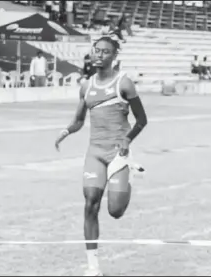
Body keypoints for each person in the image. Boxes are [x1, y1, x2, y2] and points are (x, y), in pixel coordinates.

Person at [53, 36, 148, 276]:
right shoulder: (86, 85)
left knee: (115, 211)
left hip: (117, 154)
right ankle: (93, 267)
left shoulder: (123, 84)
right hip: (94, 153)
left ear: (114, 56)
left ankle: (129, 176)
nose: (99, 55)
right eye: (96, 50)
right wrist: (65, 132)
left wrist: (128, 139)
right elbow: (78, 120)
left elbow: (142, 120)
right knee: (90, 204)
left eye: (105, 52)